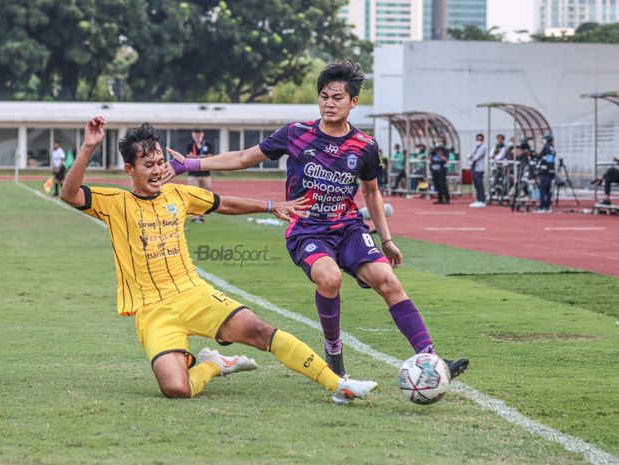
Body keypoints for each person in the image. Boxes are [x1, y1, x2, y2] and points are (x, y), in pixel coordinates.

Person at [164, 60, 468, 380]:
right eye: (324, 95)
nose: (329, 102)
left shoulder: (365, 146)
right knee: (330, 278)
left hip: (348, 228)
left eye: (337, 97)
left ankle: (431, 358)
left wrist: (387, 240)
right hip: (307, 230)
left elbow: (372, 193)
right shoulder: (296, 133)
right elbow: (243, 157)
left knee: (388, 281)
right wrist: (191, 165)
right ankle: (333, 348)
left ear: (353, 102)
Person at [60, 117, 377, 404]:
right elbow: (70, 195)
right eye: (148, 165)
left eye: (160, 162)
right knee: (176, 389)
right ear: (130, 170)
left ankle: (338, 385)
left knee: (259, 330)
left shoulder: (180, 195)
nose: (158, 170)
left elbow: (224, 204)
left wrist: (270, 206)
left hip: (194, 294)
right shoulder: (116, 202)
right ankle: (213, 364)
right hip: (152, 311)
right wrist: (88, 147)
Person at [186, 129, 214, 222]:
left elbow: (210, 157)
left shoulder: (207, 144)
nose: (198, 136)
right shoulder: (190, 145)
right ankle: (194, 215)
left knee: (205, 195)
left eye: (199, 134)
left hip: (205, 174)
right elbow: (188, 157)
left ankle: (201, 214)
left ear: (202, 134)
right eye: (196, 134)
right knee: (193, 194)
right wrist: (202, 158)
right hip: (193, 174)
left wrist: (196, 158)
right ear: (193, 135)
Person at [535, 133, 556, 213]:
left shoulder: (547, 147)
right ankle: (547, 205)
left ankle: (543, 206)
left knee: (543, 189)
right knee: (547, 189)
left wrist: (549, 166)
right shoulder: (552, 147)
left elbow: (549, 158)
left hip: (545, 171)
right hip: (550, 170)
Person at [468, 133, 487, 208]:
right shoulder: (475, 147)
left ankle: (482, 200)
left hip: (479, 168)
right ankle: (478, 199)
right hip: (474, 167)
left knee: (479, 184)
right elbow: (469, 155)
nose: (479, 141)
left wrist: (472, 157)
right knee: (475, 183)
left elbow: (477, 157)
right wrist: (471, 157)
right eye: (478, 139)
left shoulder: (483, 147)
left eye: (480, 139)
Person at [430, 137, 450, 205]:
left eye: (440, 141)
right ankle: (440, 198)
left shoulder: (444, 150)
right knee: (437, 184)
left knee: (443, 183)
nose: (438, 142)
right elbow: (431, 158)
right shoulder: (434, 150)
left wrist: (439, 154)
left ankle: (447, 198)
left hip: (441, 168)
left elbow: (445, 159)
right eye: (437, 141)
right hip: (434, 168)